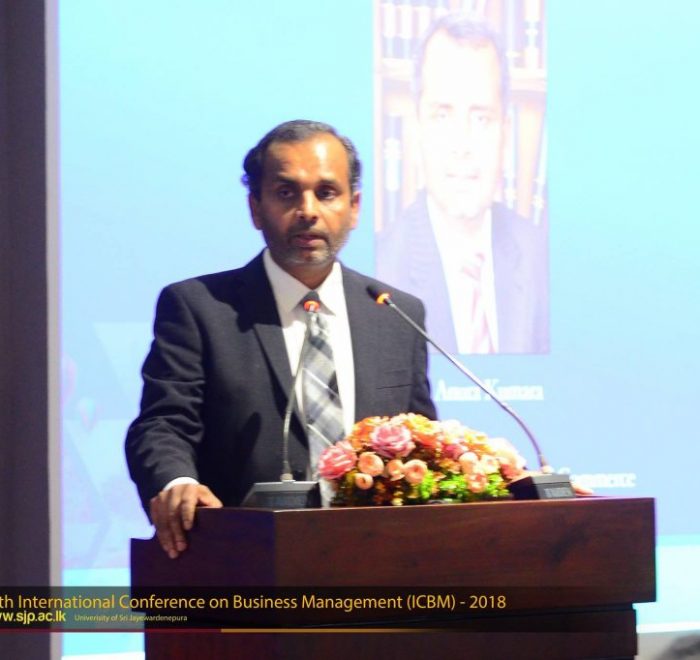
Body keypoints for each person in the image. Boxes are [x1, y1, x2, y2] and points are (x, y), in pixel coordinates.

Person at [125, 120, 437, 558]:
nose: (308, 210)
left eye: (326, 193)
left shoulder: (395, 313)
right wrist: (178, 482)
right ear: (255, 208)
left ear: (354, 207)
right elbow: (163, 424)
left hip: (378, 562)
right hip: (243, 562)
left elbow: (421, 441)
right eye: (287, 193)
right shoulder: (200, 308)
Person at [376, 15, 549, 355]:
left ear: (505, 131)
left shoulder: (541, 256)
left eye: (481, 118)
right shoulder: (381, 271)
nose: (462, 144)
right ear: (418, 128)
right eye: (442, 115)